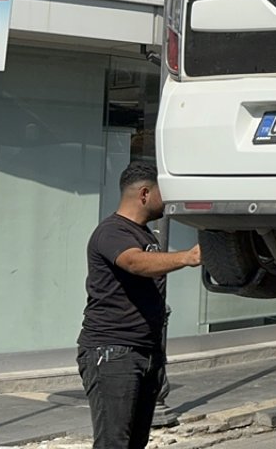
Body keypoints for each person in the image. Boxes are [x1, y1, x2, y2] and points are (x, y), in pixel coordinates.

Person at [77, 163, 202, 449]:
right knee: (114, 443)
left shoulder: (144, 233)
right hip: (113, 353)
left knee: (135, 442)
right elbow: (134, 262)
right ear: (144, 194)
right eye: (163, 193)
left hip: (144, 353)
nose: (168, 200)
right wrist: (187, 257)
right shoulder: (112, 231)